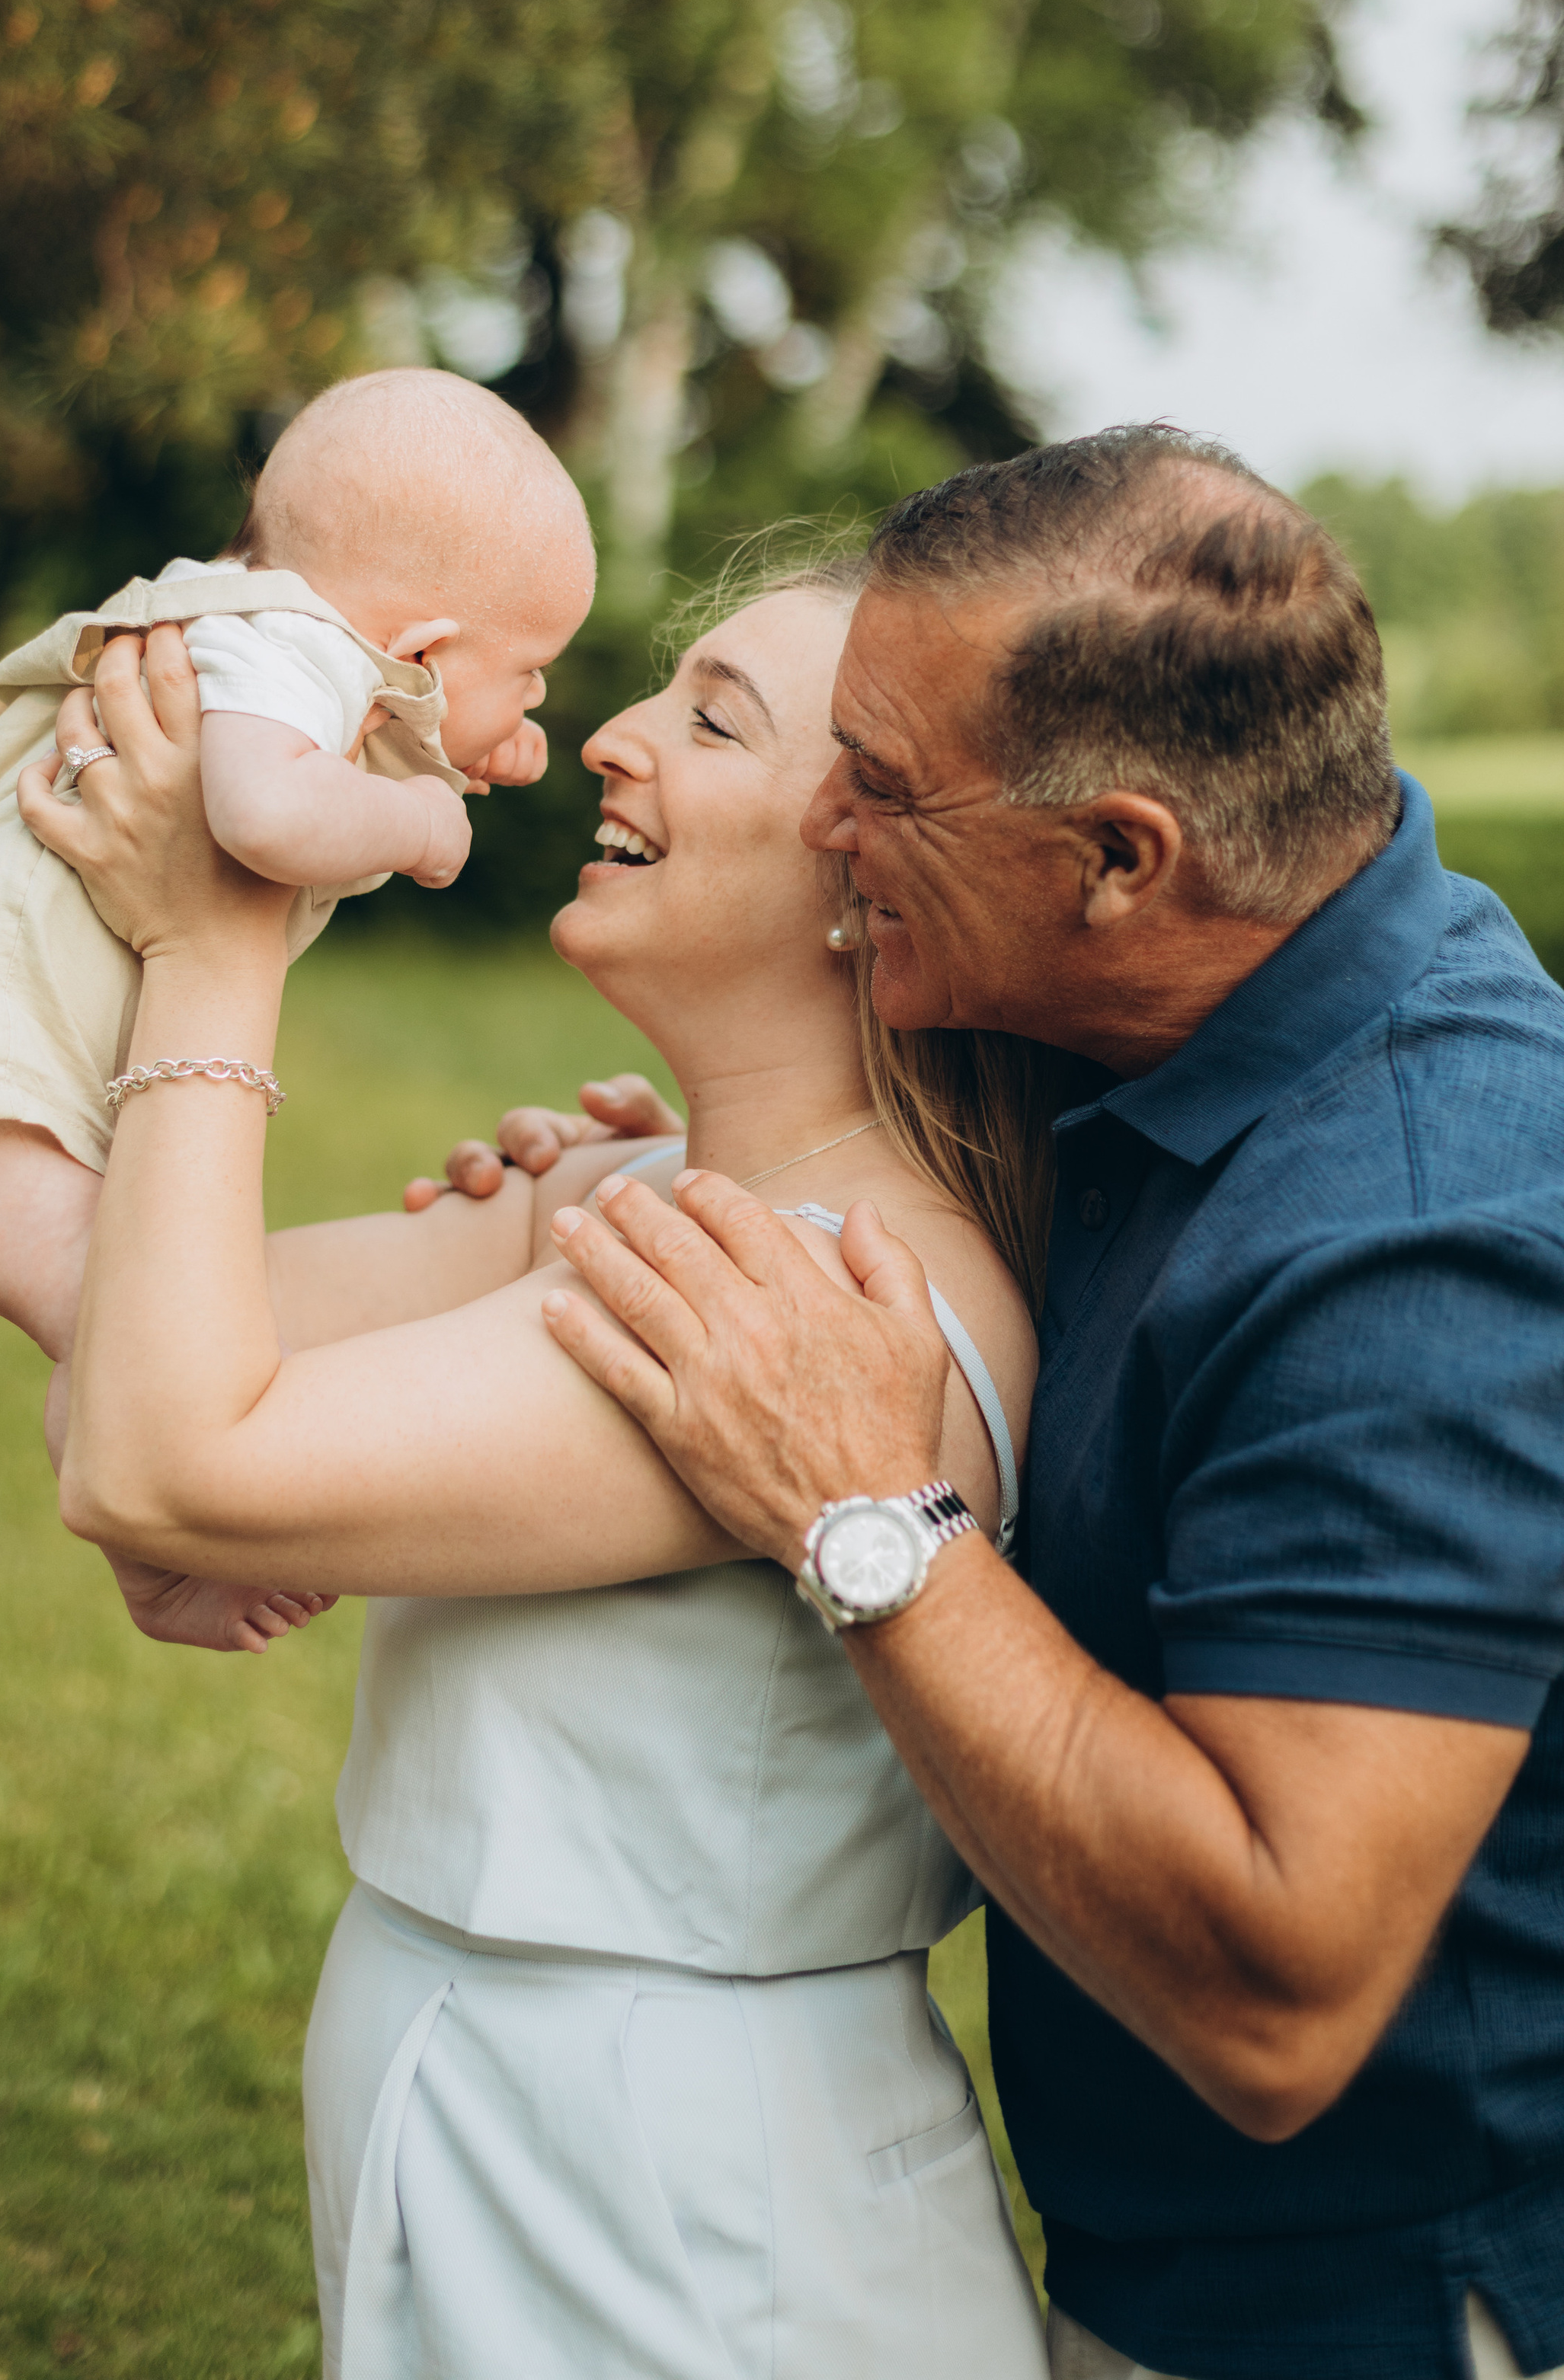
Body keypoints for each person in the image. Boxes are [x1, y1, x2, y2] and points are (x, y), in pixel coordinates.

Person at [508, 429, 1564, 2380]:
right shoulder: (1193, 1010)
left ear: (1115, 859)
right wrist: (736, 1168)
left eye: (880, 785)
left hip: (1368, 2324)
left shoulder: (1414, 1238)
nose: (820, 828)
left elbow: (1277, 1999)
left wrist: (858, 1505)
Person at [24, 553, 1056, 2378]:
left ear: (863, 882)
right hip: (495, 2097)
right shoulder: (647, 1203)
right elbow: (126, 1357)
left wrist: (214, 947)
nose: (608, 741)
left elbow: (155, 1453)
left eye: (711, 716)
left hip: (684, 2210)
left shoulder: (801, 1298)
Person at [0, 368, 593, 1650]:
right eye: (535, 675)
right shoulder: (282, 655)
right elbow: (267, 815)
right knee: (163, 1341)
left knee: (146, 1330)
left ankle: (161, 1526)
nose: (545, 712)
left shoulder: (255, 639)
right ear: (423, 653)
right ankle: (176, 1544)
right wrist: (421, 816)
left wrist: (451, 744)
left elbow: (303, 759)